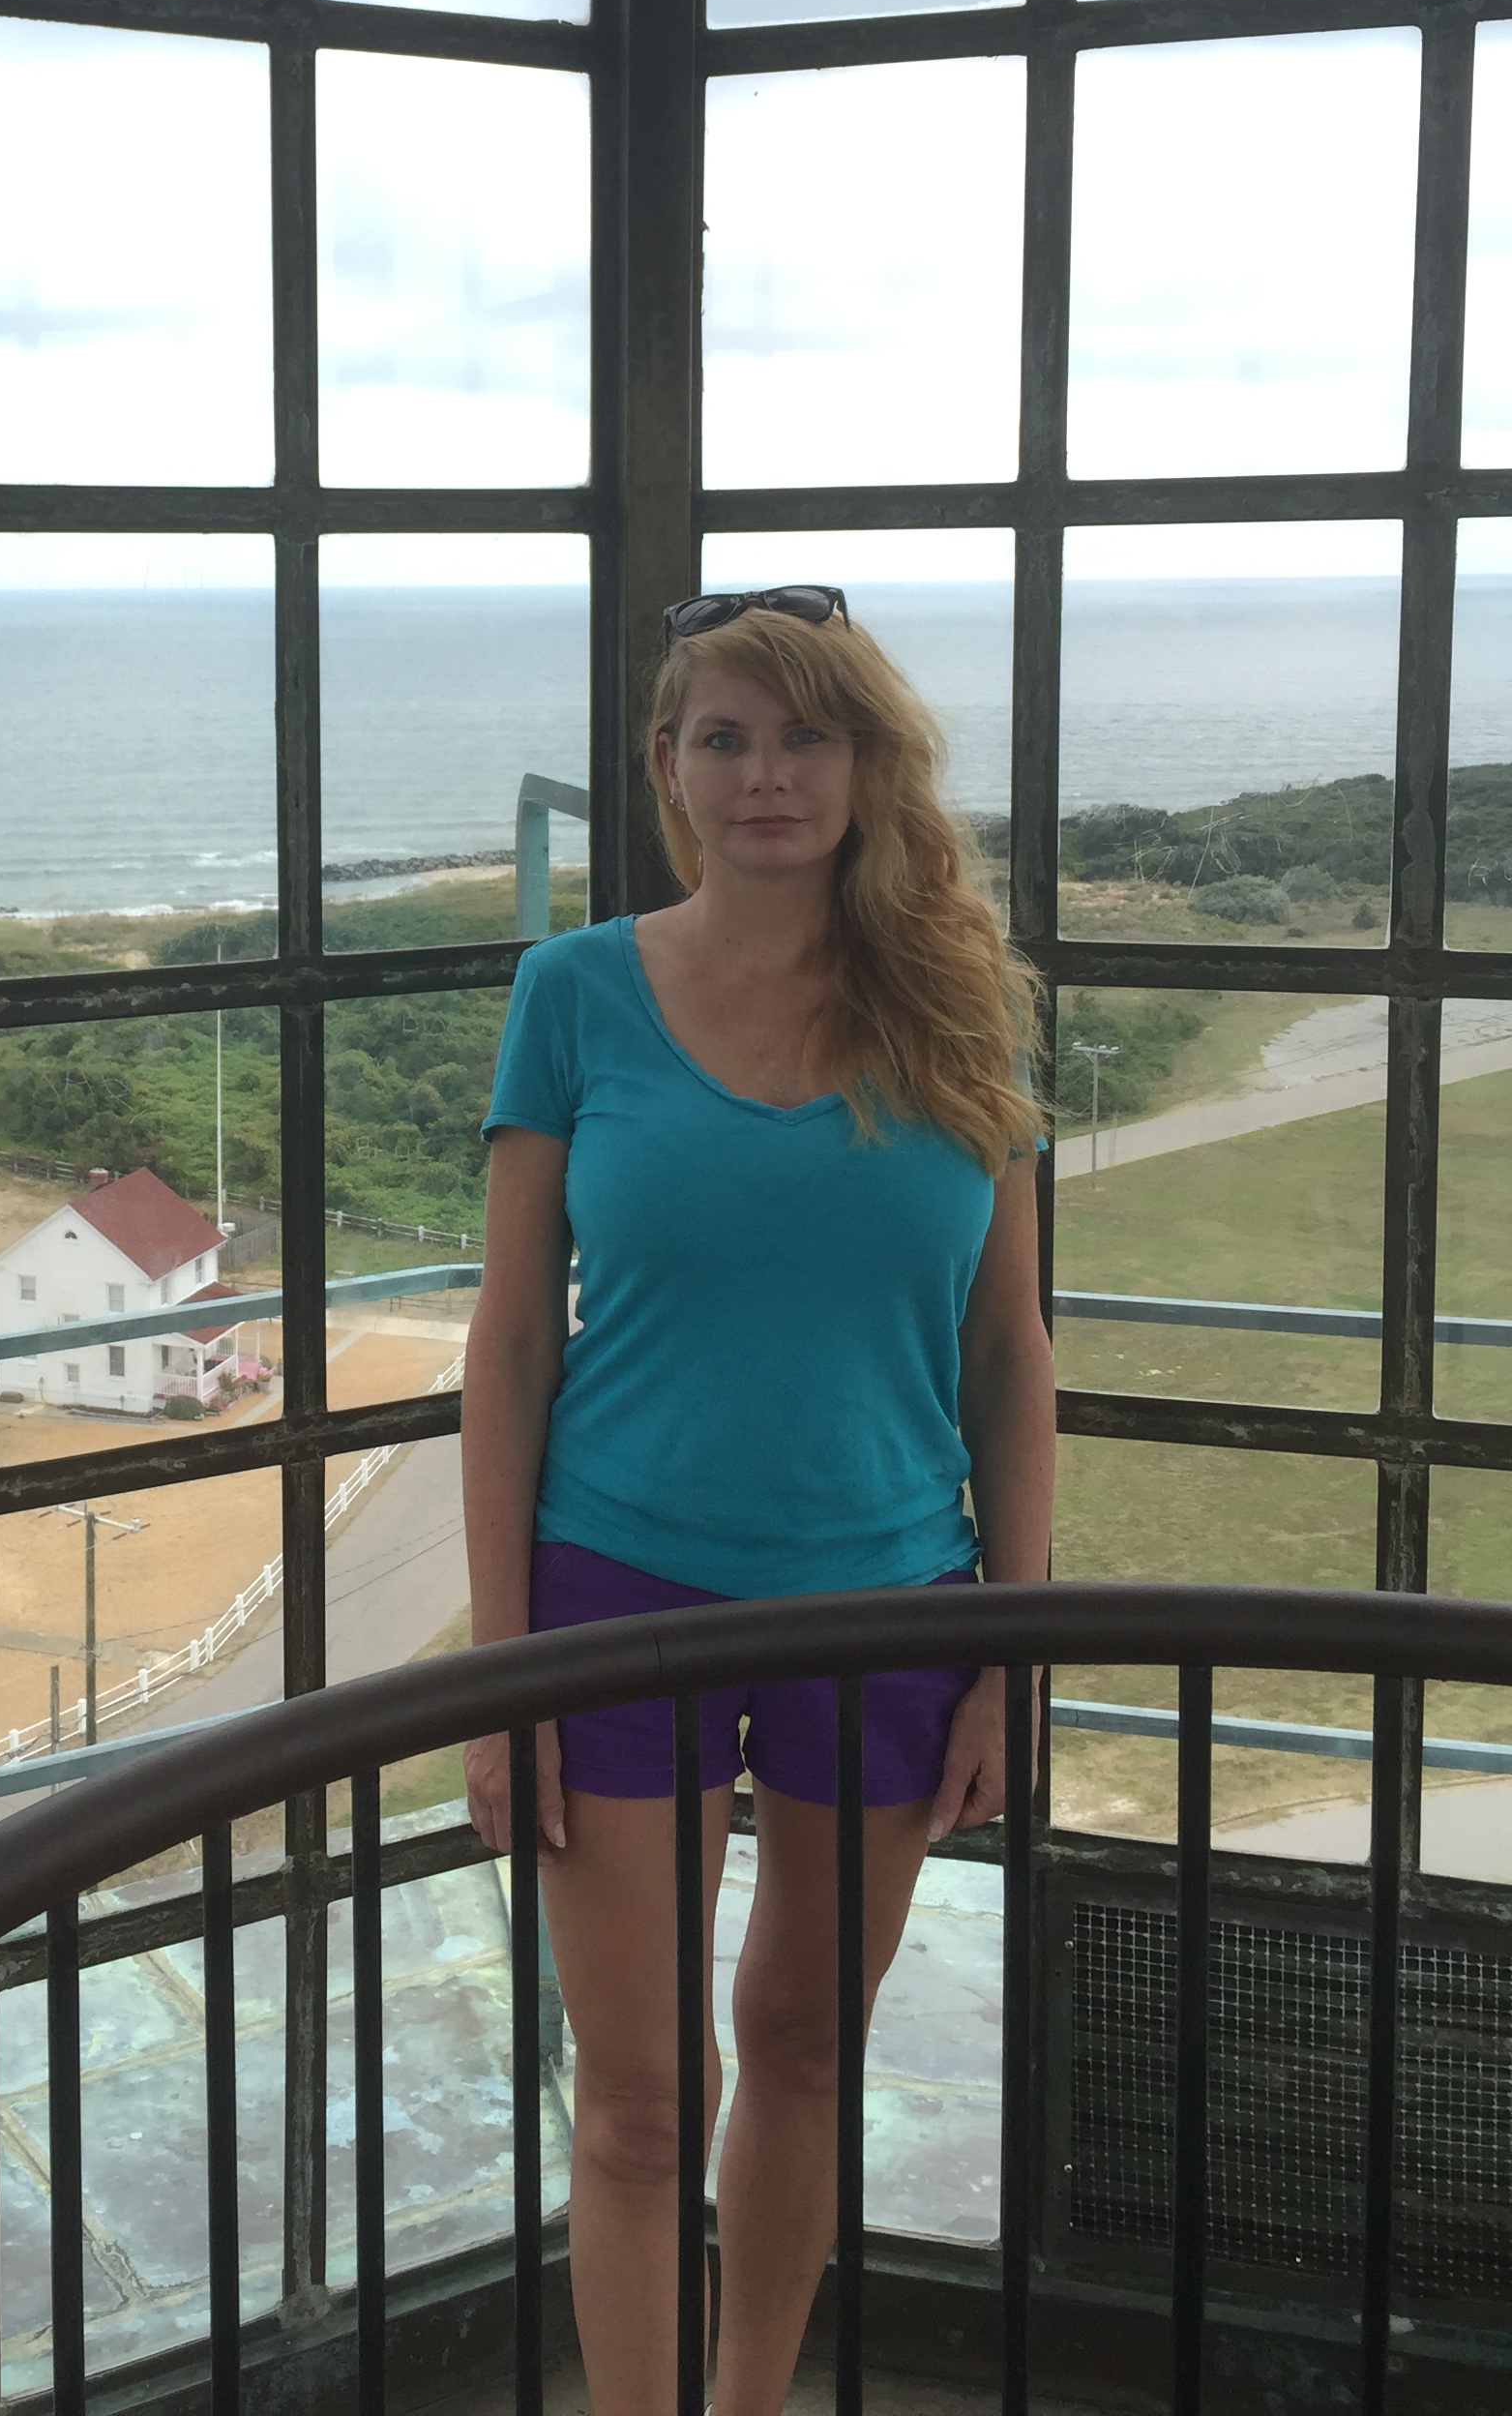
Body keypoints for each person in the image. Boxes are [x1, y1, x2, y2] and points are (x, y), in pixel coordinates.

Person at [460, 585, 1055, 2416]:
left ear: (868, 766)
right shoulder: (573, 993)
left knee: (802, 2044)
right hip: (611, 1589)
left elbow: (1011, 1360)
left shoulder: (961, 1009)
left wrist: (1006, 1656)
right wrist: (499, 1678)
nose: (766, 773)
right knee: (642, 2099)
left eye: (806, 736)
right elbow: (506, 1351)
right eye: (724, 737)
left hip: (891, 1599)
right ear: (668, 770)